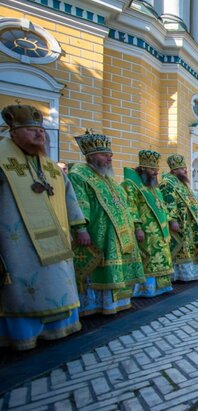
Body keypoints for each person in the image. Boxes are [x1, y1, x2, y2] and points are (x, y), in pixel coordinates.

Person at [0, 104, 85, 350]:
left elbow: (70, 197)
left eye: (41, 129)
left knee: (57, 281)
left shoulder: (49, 166)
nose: (40, 134)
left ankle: (58, 328)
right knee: (23, 287)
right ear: (13, 132)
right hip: (17, 242)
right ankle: (23, 335)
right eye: (31, 129)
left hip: (57, 238)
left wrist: (79, 226)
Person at [69, 131, 145, 315]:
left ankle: (118, 302)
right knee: (99, 267)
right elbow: (78, 203)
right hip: (98, 233)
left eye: (110, 155)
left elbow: (125, 206)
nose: (109, 159)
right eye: (105, 155)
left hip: (119, 235)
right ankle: (96, 306)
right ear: (91, 156)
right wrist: (80, 228)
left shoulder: (108, 179)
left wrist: (135, 227)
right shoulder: (79, 175)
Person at [122, 150, 174, 298]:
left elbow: (161, 206)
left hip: (160, 230)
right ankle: (146, 289)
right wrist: (137, 227)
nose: (156, 173)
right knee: (149, 257)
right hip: (145, 230)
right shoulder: (130, 184)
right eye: (152, 170)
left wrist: (168, 220)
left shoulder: (153, 187)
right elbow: (130, 206)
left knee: (161, 257)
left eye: (157, 170)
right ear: (143, 168)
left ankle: (162, 286)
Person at [159, 154, 198, 281]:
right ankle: (180, 275)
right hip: (181, 224)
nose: (186, 170)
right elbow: (168, 202)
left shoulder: (183, 185)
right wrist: (173, 220)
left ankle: (191, 274)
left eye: (185, 167)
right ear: (174, 170)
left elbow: (194, 204)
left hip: (190, 224)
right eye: (182, 168)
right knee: (181, 248)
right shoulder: (167, 183)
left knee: (189, 248)